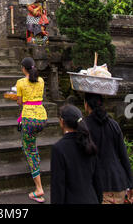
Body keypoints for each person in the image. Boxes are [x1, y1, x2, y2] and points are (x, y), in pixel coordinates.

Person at [84, 92, 133, 204]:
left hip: (100, 186)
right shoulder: (114, 124)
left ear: (86, 104)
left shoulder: (84, 126)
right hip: (119, 184)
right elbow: (124, 156)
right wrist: (131, 184)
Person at [50, 104, 102, 204]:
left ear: (62, 121)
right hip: (92, 198)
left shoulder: (59, 148)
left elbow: (58, 187)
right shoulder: (89, 143)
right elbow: (97, 181)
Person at [16, 57, 47, 203]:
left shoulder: (21, 82)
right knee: (30, 142)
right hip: (42, 118)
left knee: (29, 150)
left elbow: (20, 102)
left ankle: (39, 189)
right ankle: (34, 155)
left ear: (23, 68)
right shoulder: (41, 80)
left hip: (29, 119)